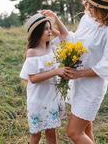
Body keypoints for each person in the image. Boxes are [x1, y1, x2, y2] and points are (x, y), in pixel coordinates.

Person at [51, 0, 108, 144]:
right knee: (86, 128)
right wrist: (55, 21)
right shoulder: (87, 19)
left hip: (92, 87)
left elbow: (107, 66)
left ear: (98, 7)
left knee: (74, 132)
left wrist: (79, 74)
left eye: (88, 3)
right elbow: (74, 40)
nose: (85, 5)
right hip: (78, 83)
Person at [19, 12, 70, 144]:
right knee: (36, 135)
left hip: (51, 97)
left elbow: (64, 35)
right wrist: (56, 71)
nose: (50, 32)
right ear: (37, 32)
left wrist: (53, 21)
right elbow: (33, 78)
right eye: (46, 29)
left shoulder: (52, 47)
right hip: (38, 99)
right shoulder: (32, 52)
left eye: (50, 28)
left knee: (51, 134)